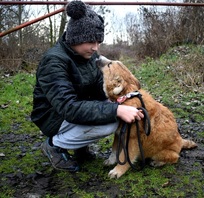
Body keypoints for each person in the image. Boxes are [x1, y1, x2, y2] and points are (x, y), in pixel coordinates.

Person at [31, 0, 144, 172]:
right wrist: (116, 110)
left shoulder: (87, 56)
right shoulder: (53, 61)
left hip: (74, 109)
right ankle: (54, 145)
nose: (95, 47)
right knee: (111, 122)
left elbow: (98, 87)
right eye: (91, 41)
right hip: (53, 116)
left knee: (115, 110)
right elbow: (68, 108)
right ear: (76, 37)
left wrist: (120, 100)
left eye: (98, 41)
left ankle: (79, 146)